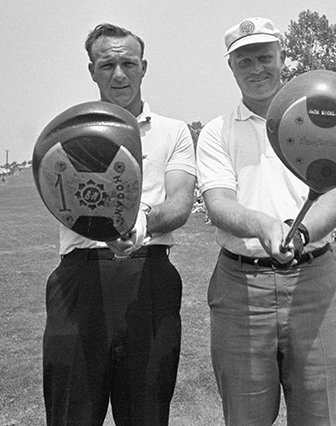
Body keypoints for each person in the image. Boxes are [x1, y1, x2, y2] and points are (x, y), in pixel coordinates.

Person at [197, 17, 336, 426]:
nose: (256, 68)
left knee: (320, 416)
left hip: (314, 280)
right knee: (246, 418)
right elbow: (219, 202)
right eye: (244, 60)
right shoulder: (216, 132)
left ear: (282, 57)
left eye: (265, 57)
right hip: (241, 287)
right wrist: (264, 226)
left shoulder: (323, 120)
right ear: (231, 67)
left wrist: (299, 232)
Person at [42, 23, 197, 426]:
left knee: (146, 414)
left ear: (144, 66)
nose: (119, 74)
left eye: (128, 63)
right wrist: (105, 231)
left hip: (150, 275)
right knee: (71, 414)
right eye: (107, 64)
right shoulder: (71, 132)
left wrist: (138, 225)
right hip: (80, 277)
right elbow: (59, 195)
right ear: (91, 70)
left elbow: (180, 203)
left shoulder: (173, 132)